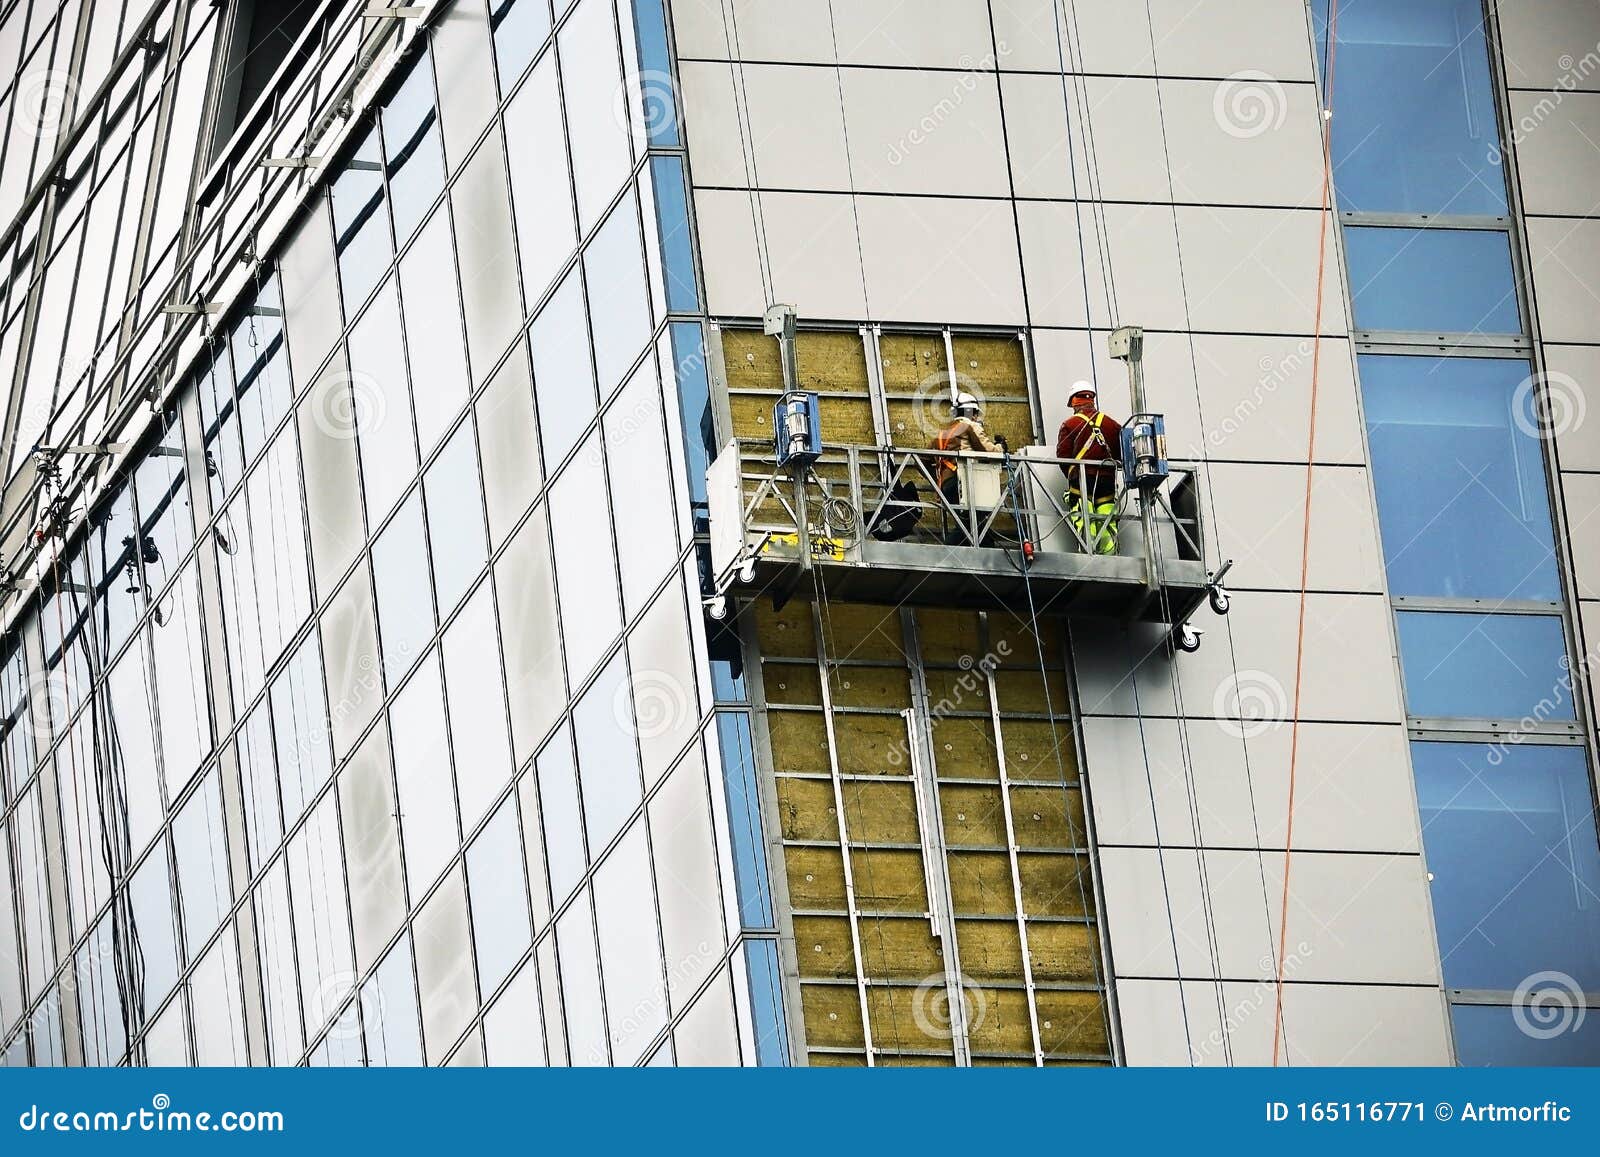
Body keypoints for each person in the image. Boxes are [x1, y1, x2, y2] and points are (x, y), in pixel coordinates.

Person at [1056, 383, 1123, 555]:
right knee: (1108, 520)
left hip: (1082, 481)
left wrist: (1072, 476)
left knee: (1084, 518)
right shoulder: (1113, 426)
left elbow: (1063, 457)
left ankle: (1088, 554)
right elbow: (1120, 455)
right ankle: (1111, 559)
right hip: (1107, 481)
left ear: (1075, 402)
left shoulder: (1069, 424)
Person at [932, 393, 1003, 542]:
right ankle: (945, 551)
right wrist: (1001, 448)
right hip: (964, 483)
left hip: (946, 486)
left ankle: (987, 549)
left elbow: (919, 461)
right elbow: (986, 452)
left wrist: (935, 479)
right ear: (972, 413)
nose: (976, 418)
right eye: (975, 414)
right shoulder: (969, 426)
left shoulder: (941, 434)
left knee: (974, 526)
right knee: (969, 525)